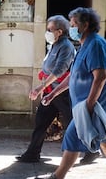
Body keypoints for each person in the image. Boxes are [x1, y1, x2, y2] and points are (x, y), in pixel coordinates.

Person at [34, 7, 106, 179]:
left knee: (72, 135)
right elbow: (74, 76)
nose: (71, 28)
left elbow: (100, 77)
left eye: (73, 25)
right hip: (88, 103)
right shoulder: (84, 45)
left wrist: (89, 104)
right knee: (105, 139)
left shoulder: (96, 45)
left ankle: (57, 178)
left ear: (85, 25)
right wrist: (53, 93)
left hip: (95, 103)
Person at [16, 15, 100, 163]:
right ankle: (32, 153)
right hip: (50, 92)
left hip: (64, 93)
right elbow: (49, 67)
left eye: (50, 29)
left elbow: (60, 70)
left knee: (75, 123)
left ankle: (92, 150)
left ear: (59, 31)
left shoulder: (66, 46)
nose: (47, 32)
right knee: (41, 121)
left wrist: (40, 87)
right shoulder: (54, 45)